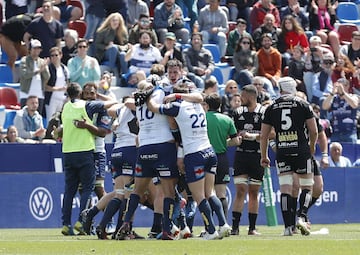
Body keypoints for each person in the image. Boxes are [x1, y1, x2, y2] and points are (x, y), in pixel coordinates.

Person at [145, 82, 223, 240]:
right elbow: (199, 96)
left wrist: (149, 95)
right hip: (209, 151)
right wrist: (177, 95)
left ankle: (211, 230)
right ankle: (219, 226)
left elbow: (153, 107)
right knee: (209, 193)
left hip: (194, 154)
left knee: (199, 196)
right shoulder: (197, 104)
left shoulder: (176, 108)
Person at [260, 76, 318, 236]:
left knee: (285, 189)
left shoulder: (271, 107)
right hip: (301, 150)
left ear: (280, 89)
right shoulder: (303, 104)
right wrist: (311, 146)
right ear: (293, 88)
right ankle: (301, 216)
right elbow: (314, 130)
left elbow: (264, 135)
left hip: (282, 151)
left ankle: (287, 228)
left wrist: (264, 155)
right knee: (307, 186)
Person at [60, 82, 117, 236]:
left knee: (98, 188)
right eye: (87, 93)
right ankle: (87, 223)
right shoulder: (84, 107)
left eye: (93, 93)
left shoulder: (100, 110)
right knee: (83, 189)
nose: (89, 96)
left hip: (97, 151)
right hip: (84, 150)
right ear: (82, 94)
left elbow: (103, 132)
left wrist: (86, 126)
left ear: (96, 94)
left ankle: (108, 221)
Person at [230, 84, 266, 236]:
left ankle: (252, 228)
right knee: (240, 191)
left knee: (254, 192)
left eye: (243, 96)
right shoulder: (237, 112)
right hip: (241, 154)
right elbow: (231, 132)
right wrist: (237, 136)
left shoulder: (264, 112)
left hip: (257, 155)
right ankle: (235, 227)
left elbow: (271, 134)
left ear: (251, 96)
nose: (240, 99)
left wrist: (253, 136)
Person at [204, 93, 239, 229]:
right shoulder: (227, 119)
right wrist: (223, 143)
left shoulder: (203, 118)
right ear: (220, 105)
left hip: (205, 157)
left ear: (207, 105)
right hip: (222, 158)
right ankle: (223, 224)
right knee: (221, 194)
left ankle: (209, 227)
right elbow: (235, 141)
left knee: (208, 194)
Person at [322, 78, 359, 143]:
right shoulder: (334, 98)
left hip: (349, 133)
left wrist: (343, 93)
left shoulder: (353, 96)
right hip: (336, 133)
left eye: (341, 86)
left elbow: (354, 104)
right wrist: (332, 93)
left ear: (347, 86)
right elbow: (324, 107)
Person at [19, 39, 50, 116]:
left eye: (38, 48)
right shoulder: (24, 60)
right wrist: (39, 70)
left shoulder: (42, 61)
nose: (37, 50)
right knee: (24, 116)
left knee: (37, 116)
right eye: (35, 48)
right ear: (30, 49)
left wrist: (44, 68)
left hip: (39, 94)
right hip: (26, 93)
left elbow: (47, 77)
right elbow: (25, 74)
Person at [0, 13, 35, 78]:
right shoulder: (29, 22)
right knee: (13, 56)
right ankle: (10, 77)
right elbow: (26, 36)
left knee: (25, 54)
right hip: (4, 36)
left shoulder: (25, 18)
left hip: (14, 37)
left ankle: (24, 77)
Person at [94, 12, 128, 78]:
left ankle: (125, 75)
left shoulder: (123, 32)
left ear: (119, 22)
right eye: (113, 20)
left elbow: (126, 44)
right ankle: (111, 70)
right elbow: (97, 44)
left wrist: (122, 47)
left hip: (120, 51)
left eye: (116, 20)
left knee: (123, 55)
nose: (114, 22)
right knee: (113, 48)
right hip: (105, 53)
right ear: (109, 21)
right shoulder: (103, 31)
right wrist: (106, 47)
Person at [45, 47, 68, 120]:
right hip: (51, 99)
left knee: (60, 121)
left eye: (56, 55)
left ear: (61, 55)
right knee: (51, 120)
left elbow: (67, 82)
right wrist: (58, 89)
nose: (54, 57)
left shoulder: (64, 68)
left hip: (62, 99)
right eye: (52, 55)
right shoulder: (48, 68)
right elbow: (45, 87)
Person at [256, 33, 282, 98]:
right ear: (262, 42)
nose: (267, 42)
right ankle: (273, 98)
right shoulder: (258, 54)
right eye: (265, 41)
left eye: (268, 40)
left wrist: (276, 77)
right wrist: (271, 78)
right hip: (263, 76)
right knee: (268, 83)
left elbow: (278, 69)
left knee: (282, 83)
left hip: (275, 76)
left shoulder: (276, 54)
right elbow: (262, 71)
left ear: (271, 42)